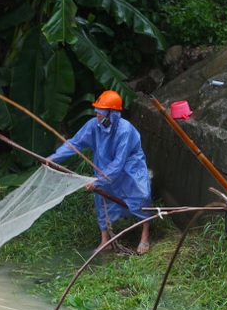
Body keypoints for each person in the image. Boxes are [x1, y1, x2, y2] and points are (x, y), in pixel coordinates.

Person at [47, 90, 153, 254]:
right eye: (97, 111)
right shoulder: (93, 126)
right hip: (104, 166)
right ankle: (106, 239)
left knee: (140, 195)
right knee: (103, 198)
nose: (97, 115)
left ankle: (145, 236)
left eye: (101, 112)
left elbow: (119, 162)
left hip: (129, 167)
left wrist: (97, 181)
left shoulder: (125, 130)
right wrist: (54, 159)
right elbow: (75, 143)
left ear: (112, 114)